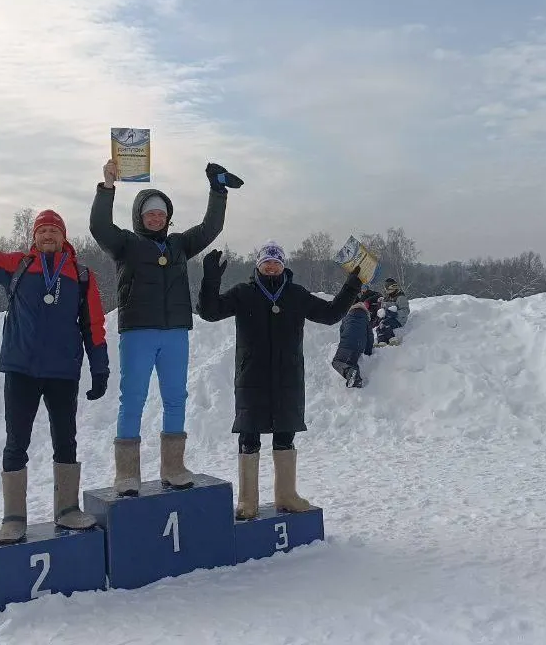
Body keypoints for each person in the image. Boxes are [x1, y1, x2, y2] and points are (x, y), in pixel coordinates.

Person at [0, 197, 109, 544]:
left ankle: (67, 509)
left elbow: (94, 324)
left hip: (62, 372)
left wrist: (99, 368)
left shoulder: (82, 275)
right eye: (42, 230)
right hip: (22, 369)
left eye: (53, 230)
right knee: (17, 442)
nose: (48, 235)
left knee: (66, 441)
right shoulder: (16, 266)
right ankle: (13, 517)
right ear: (34, 236)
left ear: (63, 237)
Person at [89, 159, 242, 496]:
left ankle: (173, 466)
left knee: (176, 398)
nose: (156, 218)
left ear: (168, 217)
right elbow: (100, 227)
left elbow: (209, 228)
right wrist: (108, 187)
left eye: (161, 213)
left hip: (175, 333)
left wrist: (217, 191)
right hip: (138, 332)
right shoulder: (125, 244)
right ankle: (127, 473)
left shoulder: (178, 245)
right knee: (133, 400)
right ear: (140, 217)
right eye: (149, 214)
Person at [196, 241, 362, 519]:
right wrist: (211, 279)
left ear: (283, 265)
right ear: (258, 265)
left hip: (288, 378)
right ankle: (247, 501)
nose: (271, 266)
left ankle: (286, 495)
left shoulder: (296, 295)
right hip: (252, 378)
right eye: (266, 262)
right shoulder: (244, 293)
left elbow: (331, 314)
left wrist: (353, 284)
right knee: (249, 437)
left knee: (285, 435)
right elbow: (209, 312)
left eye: (276, 262)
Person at [332, 300, 372, 388]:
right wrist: (368, 351)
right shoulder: (365, 319)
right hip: (359, 345)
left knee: (336, 362)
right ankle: (357, 383)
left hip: (346, 343)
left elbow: (342, 331)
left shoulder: (347, 316)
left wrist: (342, 342)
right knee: (352, 363)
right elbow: (370, 336)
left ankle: (349, 372)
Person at [376, 276, 410, 346]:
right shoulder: (389, 296)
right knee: (380, 326)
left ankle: (392, 339)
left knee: (386, 324)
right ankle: (382, 341)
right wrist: (382, 303)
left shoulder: (400, 297)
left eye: (387, 289)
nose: (386, 291)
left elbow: (406, 311)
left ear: (392, 288)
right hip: (390, 318)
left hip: (399, 319)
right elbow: (386, 305)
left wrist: (394, 313)